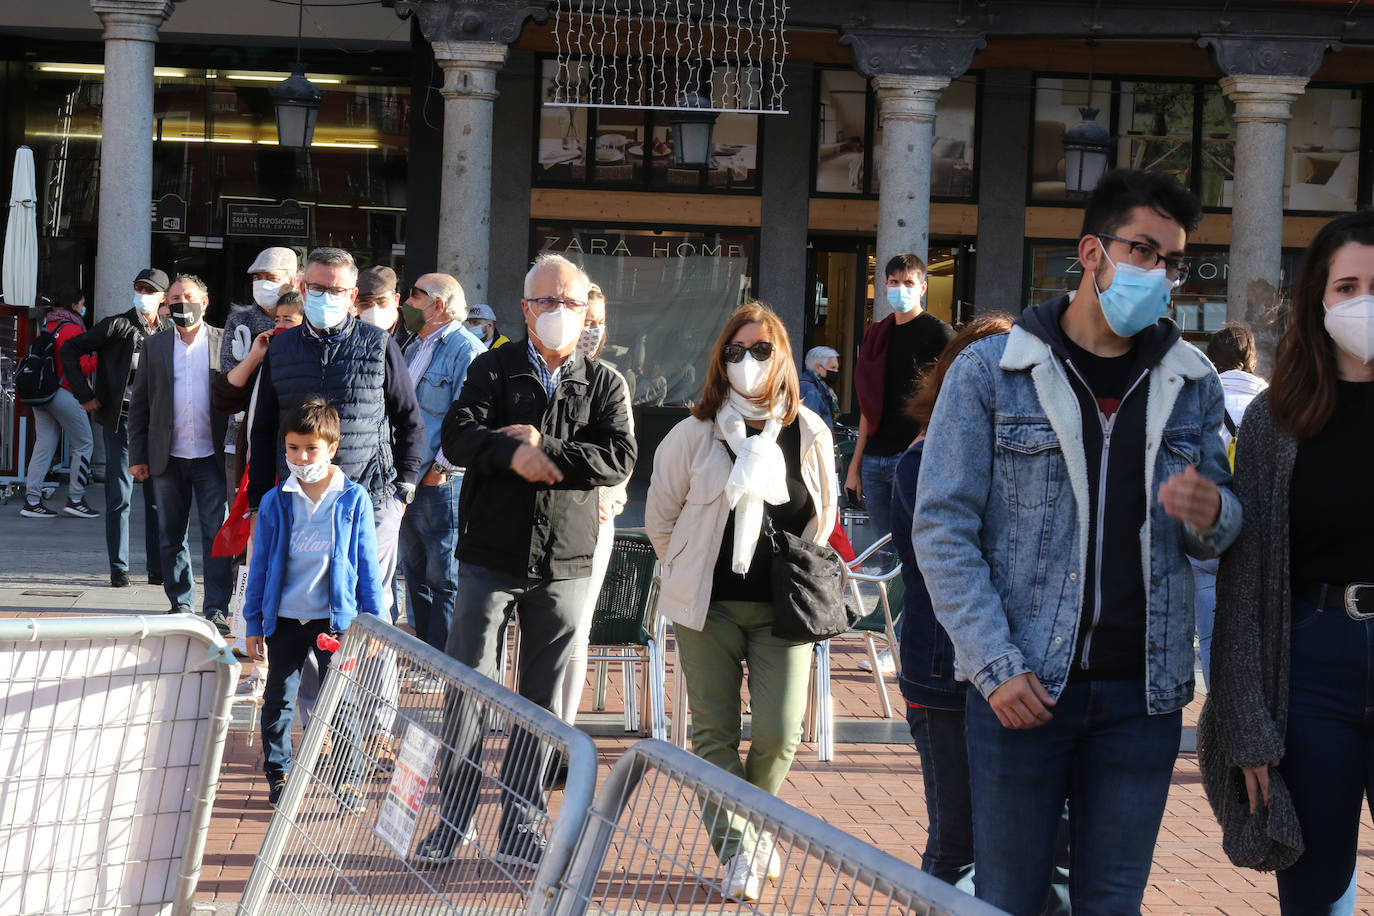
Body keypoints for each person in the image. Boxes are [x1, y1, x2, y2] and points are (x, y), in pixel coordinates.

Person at [911, 169, 1241, 915]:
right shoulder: (992, 372)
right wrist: (995, 666)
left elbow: (1221, 536)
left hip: (1142, 697)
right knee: (1012, 898)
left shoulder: (1192, 382)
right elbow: (942, 526)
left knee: (1112, 902)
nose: (1161, 275)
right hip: (1026, 692)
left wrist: (1210, 511)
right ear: (1092, 252)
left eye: (1174, 262)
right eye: (1144, 252)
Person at [415, 253, 635, 867]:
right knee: (468, 690)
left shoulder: (605, 382)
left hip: (566, 561)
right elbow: (457, 438)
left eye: (570, 302)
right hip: (489, 556)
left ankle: (522, 823)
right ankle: (451, 821)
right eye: (547, 302)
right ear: (525, 309)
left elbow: (617, 457)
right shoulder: (492, 368)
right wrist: (510, 452)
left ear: (586, 307)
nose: (560, 313)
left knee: (540, 703)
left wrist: (549, 448)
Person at [1199, 210, 1374, 914]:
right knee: (1316, 886)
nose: (1364, 301)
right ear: (1318, 301)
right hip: (1312, 665)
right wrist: (1245, 719)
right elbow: (1243, 584)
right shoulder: (1274, 423)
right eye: (1349, 285)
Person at [646, 301, 837, 902]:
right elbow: (660, 519)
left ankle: (752, 831)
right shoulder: (693, 434)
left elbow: (824, 514)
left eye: (760, 350)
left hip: (786, 609)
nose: (748, 362)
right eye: (735, 352)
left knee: (782, 734)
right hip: (710, 607)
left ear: (780, 355)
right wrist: (687, 567)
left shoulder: (810, 430)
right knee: (714, 734)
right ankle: (741, 852)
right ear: (719, 361)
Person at [890, 313, 1013, 894]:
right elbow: (944, 568)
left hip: (1005, 671)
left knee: (1016, 841)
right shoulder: (924, 459)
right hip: (945, 677)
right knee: (956, 843)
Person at [248, 247, 424, 624]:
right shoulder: (281, 349)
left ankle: (375, 684)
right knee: (308, 608)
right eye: (318, 288)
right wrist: (257, 502)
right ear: (301, 286)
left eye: (337, 290)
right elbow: (263, 429)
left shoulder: (378, 345)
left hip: (372, 495)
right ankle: (317, 686)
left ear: (353, 295)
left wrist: (403, 489)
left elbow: (408, 418)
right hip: (300, 497)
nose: (327, 297)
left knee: (369, 608)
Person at [242, 396, 385, 808]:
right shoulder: (275, 500)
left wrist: (373, 619)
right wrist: (254, 623)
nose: (302, 457)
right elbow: (261, 566)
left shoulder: (352, 499)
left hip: (333, 623)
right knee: (278, 700)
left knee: (341, 701)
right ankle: (279, 774)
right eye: (293, 447)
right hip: (285, 620)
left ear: (331, 448)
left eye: (311, 448)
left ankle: (349, 778)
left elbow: (367, 566)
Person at [128, 274, 233, 628]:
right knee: (171, 534)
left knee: (216, 536)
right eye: (174, 298)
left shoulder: (225, 342)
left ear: (205, 302)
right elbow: (140, 404)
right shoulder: (155, 346)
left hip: (212, 457)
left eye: (188, 297)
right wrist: (137, 455)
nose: (181, 303)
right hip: (167, 457)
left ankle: (216, 607)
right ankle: (181, 605)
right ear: (165, 305)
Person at [61, 267, 171, 587]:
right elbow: (69, 349)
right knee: (120, 495)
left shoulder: (168, 330)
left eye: (150, 290)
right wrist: (85, 394)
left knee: (156, 498)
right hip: (121, 421)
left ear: (163, 297)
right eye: (139, 287)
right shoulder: (117, 325)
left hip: (157, 424)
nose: (143, 295)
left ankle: (157, 568)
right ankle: (119, 567)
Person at [554, 282, 633, 727]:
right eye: (586, 320)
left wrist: (609, 491)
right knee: (538, 630)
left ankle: (562, 730)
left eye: (598, 323)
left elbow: (621, 459)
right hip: (536, 520)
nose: (591, 331)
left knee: (578, 629)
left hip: (593, 519)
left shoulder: (610, 382)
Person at [397, 272, 486, 655]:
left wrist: (441, 469)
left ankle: (443, 659)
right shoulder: (410, 345)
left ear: (438, 305)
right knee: (413, 571)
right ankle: (424, 651)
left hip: (439, 481)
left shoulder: (467, 350)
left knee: (443, 575)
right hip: (405, 478)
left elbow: (471, 417)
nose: (407, 302)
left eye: (414, 295)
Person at [845, 254, 954, 540]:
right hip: (874, 459)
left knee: (912, 547)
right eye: (894, 282)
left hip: (914, 457)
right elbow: (869, 406)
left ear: (923, 288)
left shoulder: (939, 334)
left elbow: (949, 399)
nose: (900, 288)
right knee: (882, 551)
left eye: (908, 282)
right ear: (884, 285)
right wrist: (855, 466)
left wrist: (916, 446)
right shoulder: (877, 335)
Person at [1190, 321, 1268, 688]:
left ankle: (1216, 717)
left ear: (1211, 361)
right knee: (1260, 643)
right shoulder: (1276, 405)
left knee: (1210, 638)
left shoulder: (1198, 403)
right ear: (1252, 361)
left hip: (1208, 536)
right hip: (1260, 538)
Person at [20, 287, 99, 519]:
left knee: (43, 444)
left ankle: (32, 501)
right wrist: (100, 357)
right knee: (84, 443)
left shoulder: (48, 327)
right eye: (82, 303)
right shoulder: (73, 329)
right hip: (62, 393)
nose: (84, 308)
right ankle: (76, 498)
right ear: (74, 305)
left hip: (41, 394)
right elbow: (82, 367)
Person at [212, 292, 305, 486]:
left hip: (301, 462)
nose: (279, 326)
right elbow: (224, 397)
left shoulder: (313, 362)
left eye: (288, 320)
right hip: (260, 464)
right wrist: (255, 356)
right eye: (277, 320)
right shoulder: (267, 363)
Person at [224, 247, 298, 374]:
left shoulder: (307, 322)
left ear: (291, 282)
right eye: (257, 278)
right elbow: (227, 377)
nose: (262, 284)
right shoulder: (239, 322)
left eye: (271, 278)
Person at [356, 265, 415, 352]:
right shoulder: (349, 332)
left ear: (396, 299)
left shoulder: (417, 332)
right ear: (356, 304)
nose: (374, 309)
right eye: (365, 304)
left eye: (382, 302)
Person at [798, 345, 840, 431]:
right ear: (818, 368)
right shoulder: (811, 391)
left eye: (837, 368)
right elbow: (811, 427)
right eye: (833, 367)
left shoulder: (820, 387)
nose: (836, 371)